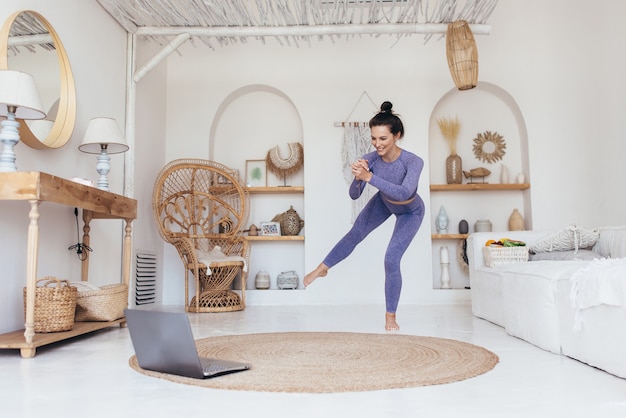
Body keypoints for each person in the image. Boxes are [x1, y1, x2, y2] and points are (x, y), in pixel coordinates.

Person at [304, 101, 425, 331]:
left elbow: (404, 192)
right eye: (373, 138)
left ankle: (390, 316)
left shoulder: (413, 161)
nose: (377, 144)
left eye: (383, 139)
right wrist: (358, 177)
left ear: (397, 135)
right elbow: (353, 195)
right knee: (355, 233)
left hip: (411, 210)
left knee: (391, 259)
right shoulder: (371, 159)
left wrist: (369, 177)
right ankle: (323, 267)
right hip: (385, 202)